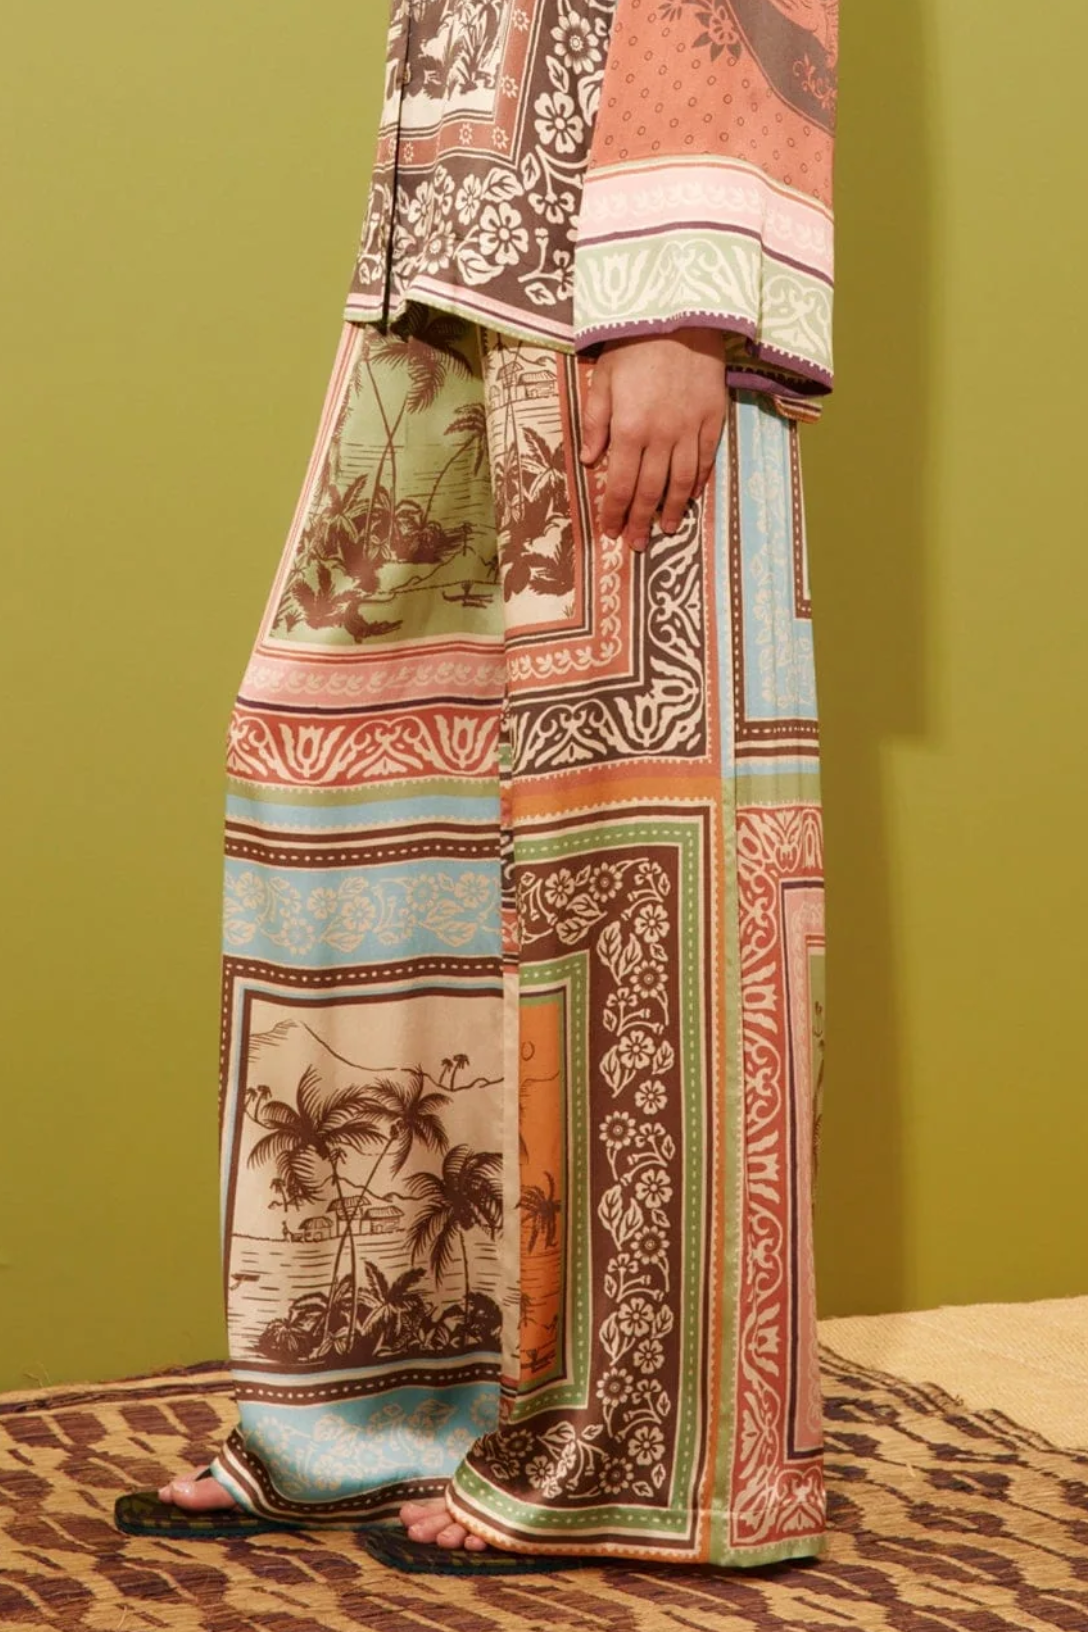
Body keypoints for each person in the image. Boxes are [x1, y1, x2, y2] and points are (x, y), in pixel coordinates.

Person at [121, 0, 838, 1567]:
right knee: (360, 777)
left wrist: (684, 312)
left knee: (643, 851)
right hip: (448, 245)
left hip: (628, 264)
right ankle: (381, 1400)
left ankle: (661, 1459)